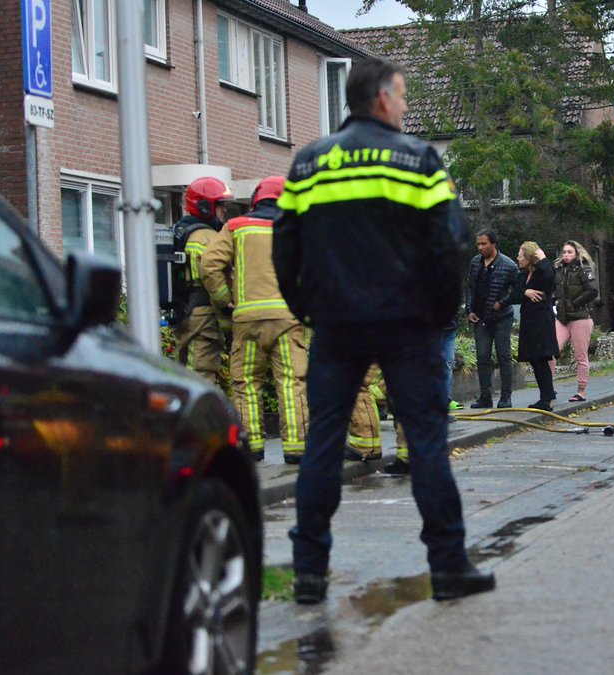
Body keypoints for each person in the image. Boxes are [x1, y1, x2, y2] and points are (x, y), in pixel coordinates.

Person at [274, 58, 494, 603]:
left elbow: (285, 248)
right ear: (380, 99)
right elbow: (452, 243)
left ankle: (307, 573)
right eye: (401, 96)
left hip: (337, 326)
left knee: (323, 442)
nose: (405, 106)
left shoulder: (307, 164)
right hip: (408, 325)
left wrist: (307, 307)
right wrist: (439, 310)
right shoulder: (418, 160)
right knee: (425, 444)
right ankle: (447, 568)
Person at [200, 176, 307, 463]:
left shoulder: (236, 226)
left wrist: (225, 300)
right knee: (291, 383)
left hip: (247, 320)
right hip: (287, 319)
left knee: (246, 383)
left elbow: (209, 265)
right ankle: (296, 450)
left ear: (256, 199)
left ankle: (253, 448)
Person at [172, 176, 234, 386]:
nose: (224, 211)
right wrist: (227, 303)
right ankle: (200, 419)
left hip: (185, 313)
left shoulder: (181, 231)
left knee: (184, 373)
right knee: (201, 375)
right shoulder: (208, 238)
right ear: (206, 207)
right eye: (220, 205)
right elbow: (214, 273)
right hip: (205, 316)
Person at [465, 229, 518, 409]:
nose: (480, 247)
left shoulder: (509, 265)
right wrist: (469, 309)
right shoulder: (475, 263)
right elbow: (470, 287)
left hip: (502, 317)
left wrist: (501, 303)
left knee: (504, 356)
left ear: (493, 244)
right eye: (478, 244)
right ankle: (485, 395)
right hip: (480, 317)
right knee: (482, 356)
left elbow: (516, 291)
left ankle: (505, 397)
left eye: (484, 244)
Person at [549, 240, 599, 402]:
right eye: (564, 252)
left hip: (580, 317)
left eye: (569, 252)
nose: (566, 255)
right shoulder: (558, 270)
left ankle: (581, 390)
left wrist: (574, 303)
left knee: (580, 356)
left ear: (577, 253)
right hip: (562, 318)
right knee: (550, 351)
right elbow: (553, 288)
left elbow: (592, 290)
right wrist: (553, 300)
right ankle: (548, 388)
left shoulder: (583, 269)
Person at [511, 241, 558, 411]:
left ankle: (547, 398)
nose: (518, 258)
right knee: (534, 359)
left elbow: (550, 277)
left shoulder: (542, 272)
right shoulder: (523, 275)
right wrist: (525, 292)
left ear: (529, 258)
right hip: (529, 321)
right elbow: (514, 295)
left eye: (521, 255)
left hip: (542, 321)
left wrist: (544, 259)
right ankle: (546, 396)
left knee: (541, 358)